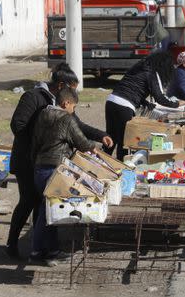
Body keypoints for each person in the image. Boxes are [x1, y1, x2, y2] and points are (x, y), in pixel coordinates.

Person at [7, 64, 110, 259]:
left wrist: (100, 134)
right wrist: (45, 142)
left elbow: (76, 127)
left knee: (43, 204)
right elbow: (18, 125)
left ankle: (40, 248)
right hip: (27, 161)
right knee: (28, 202)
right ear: (61, 85)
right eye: (72, 88)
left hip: (42, 160)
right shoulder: (33, 97)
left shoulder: (61, 102)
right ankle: (13, 243)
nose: (74, 94)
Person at [29, 87, 103, 265]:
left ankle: (50, 250)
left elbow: (35, 142)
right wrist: (96, 148)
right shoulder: (66, 119)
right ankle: (37, 251)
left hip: (39, 167)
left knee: (46, 210)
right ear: (66, 103)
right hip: (55, 171)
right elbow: (82, 142)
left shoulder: (42, 115)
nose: (73, 111)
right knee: (48, 212)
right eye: (73, 107)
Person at [105, 51, 181, 158]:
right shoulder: (153, 73)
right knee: (125, 141)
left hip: (111, 101)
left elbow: (132, 88)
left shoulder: (139, 67)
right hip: (124, 105)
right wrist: (177, 104)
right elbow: (160, 97)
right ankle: (122, 168)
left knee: (110, 137)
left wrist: (145, 102)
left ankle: (99, 163)